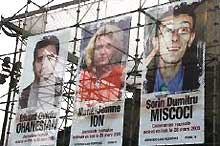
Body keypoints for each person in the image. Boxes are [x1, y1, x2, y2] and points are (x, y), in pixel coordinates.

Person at [144, 2, 201, 94]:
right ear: (155, 40)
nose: (174, 38)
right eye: (168, 30)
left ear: (191, 38)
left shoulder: (198, 80)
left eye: (183, 30)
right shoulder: (142, 78)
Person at [78, 24, 125, 103]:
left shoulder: (121, 74)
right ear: (92, 50)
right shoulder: (84, 76)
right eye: (99, 47)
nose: (103, 52)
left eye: (108, 47)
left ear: (115, 50)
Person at [18, 35, 62, 109]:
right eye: (40, 59)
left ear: (57, 62)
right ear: (33, 63)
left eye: (49, 59)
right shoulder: (24, 94)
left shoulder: (62, 88)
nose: (44, 64)